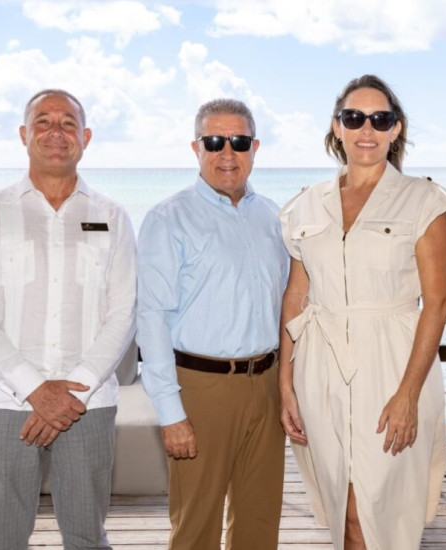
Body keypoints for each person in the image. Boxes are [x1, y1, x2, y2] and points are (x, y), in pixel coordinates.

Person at [279, 74, 446, 550]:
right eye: (354, 117)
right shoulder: (304, 205)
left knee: (380, 509)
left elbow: (437, 302)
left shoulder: (425, 201)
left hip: (394, 364)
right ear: (337, 127)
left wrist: (409, 394)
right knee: (341, 507)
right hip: (319, 367)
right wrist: (285, 384)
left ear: (395, 130)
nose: (366, 129)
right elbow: (297, 295)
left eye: (380, 119)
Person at [0, 89, 137, 549]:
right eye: (43, 122)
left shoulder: (112, 216)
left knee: (87, 537)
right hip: (4, 404)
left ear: (86, 137)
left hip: (88, 406)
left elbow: (123, 314)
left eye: (68, 123)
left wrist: (71, 389)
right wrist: (36, 391)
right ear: (24, 134)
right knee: (3, 538)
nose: (56, 133)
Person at [136, 98, 289, 550]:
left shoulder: (272, 217)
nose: (227, 152)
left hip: (266, 383)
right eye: (215, 141)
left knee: (260, 524)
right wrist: (171, 412)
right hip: (200, 389)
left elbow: (289, 305)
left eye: (239, 141)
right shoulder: (168, 218)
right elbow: (152, 317)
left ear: (255, 147)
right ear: (196, 147)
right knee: (195, 529)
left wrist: (290, 389)